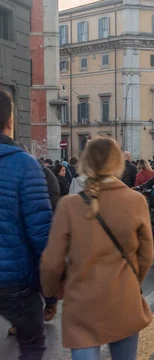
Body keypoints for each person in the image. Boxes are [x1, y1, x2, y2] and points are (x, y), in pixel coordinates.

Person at [40, 137, 153, 359]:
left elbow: (51, 262)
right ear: (119, 163)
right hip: (123, 299)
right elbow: (146, 255)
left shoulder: (69, 205)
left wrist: (52, 291)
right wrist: (131, 282)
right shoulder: (136, 200)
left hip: (82, 304)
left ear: (86, 162)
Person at [0, 90, 52, 359]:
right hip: (15, 282)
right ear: (10, 120)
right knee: (31, 344)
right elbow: (40, 233)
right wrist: (51, 291)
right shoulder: (25, 165)